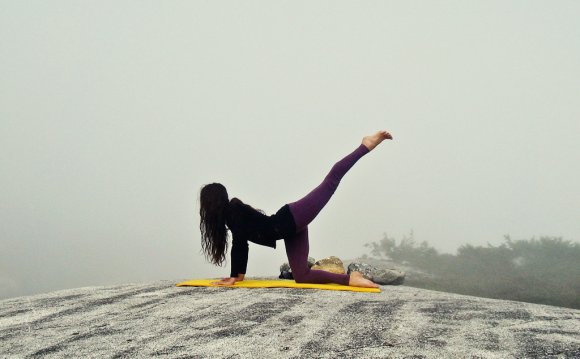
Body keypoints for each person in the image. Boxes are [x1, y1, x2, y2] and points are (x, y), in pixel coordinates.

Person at [199, 130, 393, 288]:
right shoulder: (231, 216)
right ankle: (352, 279)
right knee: (302, 276)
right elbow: (241, 244)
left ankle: (365, 145)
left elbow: (240, 244)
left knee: (330, 182)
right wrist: (238, 277)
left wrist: (235, 276)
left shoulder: (234, 212)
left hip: (293, 217)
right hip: (291, 231)